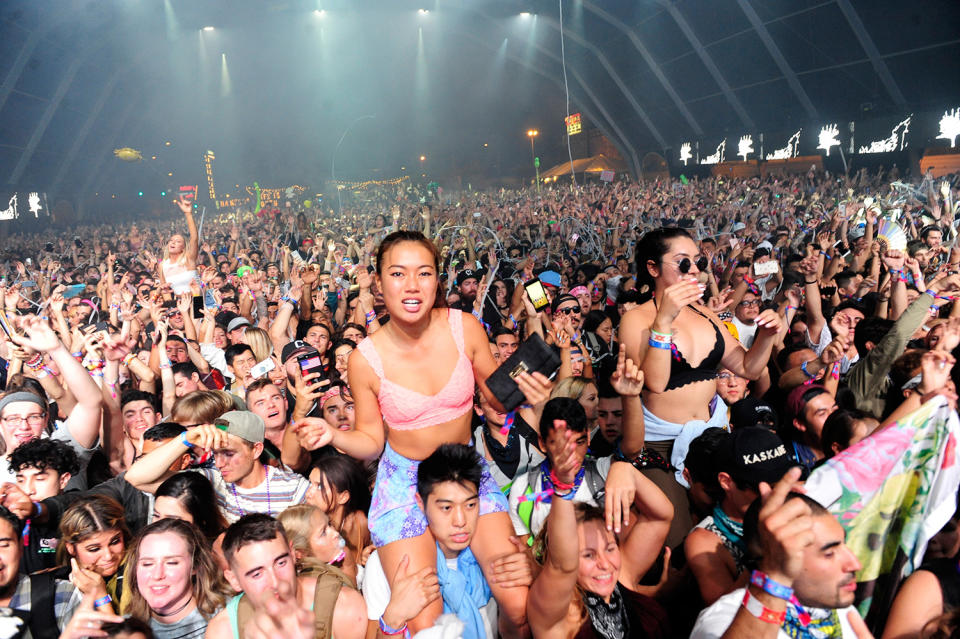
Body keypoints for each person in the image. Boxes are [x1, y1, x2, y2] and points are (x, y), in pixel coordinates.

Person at [293, 231, 550, 635]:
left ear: (437, 281)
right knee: (427, 622)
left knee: (519, 602)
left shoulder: (465, 328)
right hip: (403, 482)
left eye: (424, 273)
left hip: (464, 474)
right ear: (378, 283)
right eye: (398, 273)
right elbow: (372, 441)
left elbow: (495, 402)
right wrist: (332, 434)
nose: (412, 286)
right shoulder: (365, 359)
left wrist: (529, 394)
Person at [618, 228, 782, 547]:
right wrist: (663, 322)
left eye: (698, 260)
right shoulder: (636, 320)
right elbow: (656, 382)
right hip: (659, 448)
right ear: (653, 269)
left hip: (714, 435)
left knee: (743, 531)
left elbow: (749, 367)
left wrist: (766, 335)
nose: (694, 269)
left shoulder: (706, 315)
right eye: (682, 263)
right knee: (678, 537)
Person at [363, 444, 535, 639]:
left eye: (470, 505)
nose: (460, 521)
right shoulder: (385, 565)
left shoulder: (492, 552)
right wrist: (393, 619)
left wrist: (533, 575)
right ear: (420, 503)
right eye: (446, 508)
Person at [525, 420, 674, 638]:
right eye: (588, 555)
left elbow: (660, 517)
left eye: (610, 548)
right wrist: (563, 487)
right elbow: (562, 566)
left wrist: (625, 469)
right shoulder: (558, 613)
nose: (605, 564)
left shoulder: (620, 577)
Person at [689, 468, 869, 638]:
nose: (854, 564)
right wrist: (774, 577)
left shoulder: (838, 608)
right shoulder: (722, 622)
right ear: (776, 557)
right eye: (829, 553)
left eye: (845, 545)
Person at [204, 513, 366, 639]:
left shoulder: (343, 607)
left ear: (293, 554)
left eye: (281, 563)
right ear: (234, 580)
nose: (275, 582)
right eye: (257, 574)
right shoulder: (224, 631)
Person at [126, 411, 309, 522]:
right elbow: (135, 478)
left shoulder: (293, 488)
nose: (220, 463)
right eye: (216, 453)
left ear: (256, 450)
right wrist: (186, 439)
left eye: (229, 453)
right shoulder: (211, 481)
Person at [684, 427, 794, 606]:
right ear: (727, 482)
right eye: (762, 486)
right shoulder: (705, 541)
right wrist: (762, 552)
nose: (776, 493)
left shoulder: (797, 505)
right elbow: (721, 613)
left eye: (782, 482)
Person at [122, 518, 231, 639]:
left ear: (195, 565)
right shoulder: (125, 630)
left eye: (172, 563)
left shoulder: (230, 616)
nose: (157, 575)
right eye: (147, 564)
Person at [8, 437, 79, 573]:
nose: (28, 490)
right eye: (21, 480)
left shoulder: (78, 514)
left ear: (63, 480)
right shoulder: (10, 521)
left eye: (39, 479)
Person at [57, 495, 130, 624]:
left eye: (115, 541)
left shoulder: (136, 571)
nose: (108, 556)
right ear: (71, 548)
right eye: (94, 549)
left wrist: (100, 596)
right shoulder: (58, 583)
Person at [304, 455, 372, 570]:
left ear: (343, 497)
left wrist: (369, 555)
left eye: (319, 486)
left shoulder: (361, 522)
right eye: (310, 484)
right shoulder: (305, 527)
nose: (308, 493)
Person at [277, 504, 355, 584]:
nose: (336, 533)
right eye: (323, 533)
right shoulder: (321, 584)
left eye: (330, 524)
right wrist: (349, 567)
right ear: (301, 553)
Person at [152, 472, 227, 542]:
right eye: (156, 515)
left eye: (171, 520)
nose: (159, 525)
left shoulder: (219, 551)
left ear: (201, 522)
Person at [160, 198, 199, 295]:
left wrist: (188, 214)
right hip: (178, 304)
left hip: (197, 300)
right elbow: (165, 291)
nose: (173, 243)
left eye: (177, 241)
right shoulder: (162, 265)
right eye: (171, 240)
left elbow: (194, 238)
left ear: (183, 247)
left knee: (198, 310)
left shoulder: (188, 259)